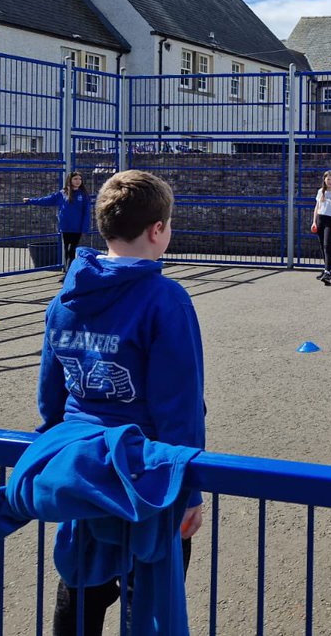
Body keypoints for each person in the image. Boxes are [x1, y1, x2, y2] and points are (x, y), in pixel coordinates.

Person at [37, 170, 205, 635]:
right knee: (148, 598)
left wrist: (57, 443)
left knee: (79, 588)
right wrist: (188, 490)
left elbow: (50, 394)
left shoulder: (63, 299)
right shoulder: (165, 299)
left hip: (83, 465)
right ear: (158, 230)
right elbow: (181, 407)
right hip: (144, 475)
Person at [24, 171, 92, 279]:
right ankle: (68, 271)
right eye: (75, 179)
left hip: (77, 228)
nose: (78, 181)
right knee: (66, 250)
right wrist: (31, 201)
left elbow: (87, 212)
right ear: (69, 180)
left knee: (71, 250)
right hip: (65, 227)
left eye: (79, 179)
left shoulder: (83, 195)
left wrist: (85, 227)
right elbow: (47, 200)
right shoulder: (62, 193)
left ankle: (69, 274)